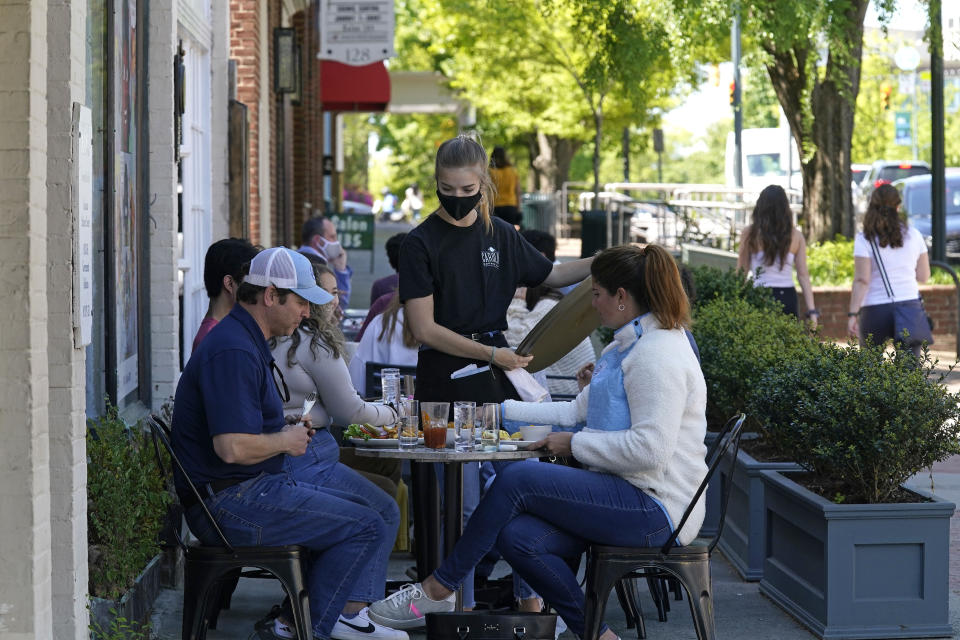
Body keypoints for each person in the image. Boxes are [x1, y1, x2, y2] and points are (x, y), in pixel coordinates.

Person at [367, 244, 708, 640]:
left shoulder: (656, 353)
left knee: (519, 479)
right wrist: (497, 413)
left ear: (621, 297)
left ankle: (440, 588)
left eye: (596, 293)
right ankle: (598, 633)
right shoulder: (628, 343)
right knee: (519, 538)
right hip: (628, 493)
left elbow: (650, 450)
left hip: (658, 510)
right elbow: (575, 411)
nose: (592, 304)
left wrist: (572, 446)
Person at [397, 134, 594, 609]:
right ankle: (453, 605)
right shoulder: (420, 243)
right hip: (445, 384)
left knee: (519, 482)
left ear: (484, 182)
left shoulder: (500, 234)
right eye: (449, 188)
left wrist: (609, 261)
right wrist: (492, 356)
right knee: (460, 504)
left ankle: (526, 601)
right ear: (436, 183)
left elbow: (549, 274)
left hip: (496, 380)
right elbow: (424, 329)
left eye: (468, 190)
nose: (459, 198)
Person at [170, 247, 406, 640]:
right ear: (269, 295)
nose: (307, 313)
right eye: (300, 302)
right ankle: (298, 628)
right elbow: (231, 448)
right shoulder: (233, 349)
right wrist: (284, 439)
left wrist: (283, 423)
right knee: (367, 525)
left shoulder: (245, 338)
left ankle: (313, 619)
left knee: (374, 514)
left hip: (241, 489)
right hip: (229, 502)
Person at [504, 229, 595, 398]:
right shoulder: (549, 300)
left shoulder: (549, 304)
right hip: (568, 388)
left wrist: (516, 302)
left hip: (565, 391)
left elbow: (515, 345)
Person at [848, 183, 931, 355]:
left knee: (869, 371)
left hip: (874, 309)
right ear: (898, 206)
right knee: (908, 374)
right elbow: (924, 276)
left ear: (872, 205)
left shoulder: (865, 239)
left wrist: (852, 314)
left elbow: (862, 280)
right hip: (909, 306)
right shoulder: (914, 235)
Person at [737, 184, 818, 327]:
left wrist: (733, 301)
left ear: (760, 206)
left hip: (760, 295)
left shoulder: (750, 233)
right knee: (788, 345)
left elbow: (741, 272)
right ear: (785, 208)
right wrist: (812, 311)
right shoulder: (796, 236)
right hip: (787, 296)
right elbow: (803, 275)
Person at [192, 237, 259, 351]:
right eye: (248, 281)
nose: (254, 289)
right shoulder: (213, 338)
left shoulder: (222, 331)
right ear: (229, 283)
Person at [349, 293, 419, 398]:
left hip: (385, 411)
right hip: (437, 411)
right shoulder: (448, 329)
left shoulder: (379, 324)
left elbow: (354, 384)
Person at [299, 215, 353, 311]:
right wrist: (341, 270)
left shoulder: (297, 257)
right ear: (318, 241)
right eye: (332, 237)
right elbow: (339, 305)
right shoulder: (316, 266)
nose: (337, 242)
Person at [489, 146, 523, 227]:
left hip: (494, 206)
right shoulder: (512, 171)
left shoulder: (490, 172)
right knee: (509, 233)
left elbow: (487, 191)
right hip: (510, 206)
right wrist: (519, 208)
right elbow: (518, 191)